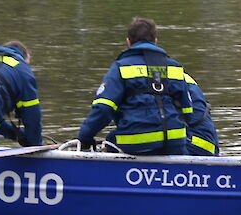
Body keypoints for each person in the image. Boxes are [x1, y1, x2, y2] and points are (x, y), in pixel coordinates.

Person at [76, 18, 205, 155]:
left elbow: (103, 108)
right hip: (175, 142)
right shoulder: (174, 67)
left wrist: (84, 137)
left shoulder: (120, 68)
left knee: (110, 140)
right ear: (155, 41)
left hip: (136, 143)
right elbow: (188, 110)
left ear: (128, 42)